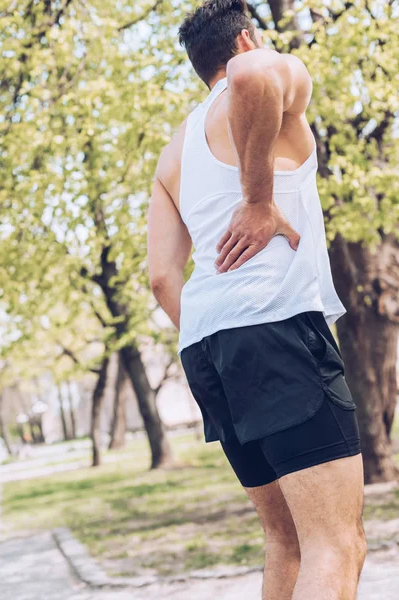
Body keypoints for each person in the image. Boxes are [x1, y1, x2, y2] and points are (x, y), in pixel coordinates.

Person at [147, 1, 366, 598]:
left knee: (286, 541)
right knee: (336, 542)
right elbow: (251, 77)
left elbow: (162, 278)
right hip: (275, 325)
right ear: (246, 39)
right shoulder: (259, 69)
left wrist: (222, 332)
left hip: (207, 347)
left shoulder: (172, 151)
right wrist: (259, 199)